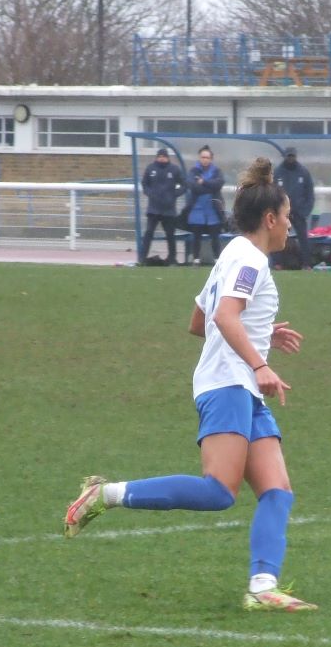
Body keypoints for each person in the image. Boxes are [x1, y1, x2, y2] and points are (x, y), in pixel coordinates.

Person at [64, 157, 316, 612]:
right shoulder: (252, 260)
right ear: (270, 218)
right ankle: (105, 493)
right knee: (219, 491)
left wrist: (262, 332)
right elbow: (221, 317)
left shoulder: (232, 254)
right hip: (229, 384)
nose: (290, 225)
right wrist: (260, 362)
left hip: (240, 385)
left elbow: (199, 321)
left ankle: (262, 588)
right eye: (288, 216)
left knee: (278, 491)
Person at [139, 147, 186, 265]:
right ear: (156, 157)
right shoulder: (151, 168)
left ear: (168, 158)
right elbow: (144, 183)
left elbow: (184, 185)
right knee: (149, 233)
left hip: (169, 210)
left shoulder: (174, 169)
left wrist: (174, 195)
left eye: (164, 157)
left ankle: (172, 259)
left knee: (170, 234)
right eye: (160, 156)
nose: (162, 159)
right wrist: (149, 193)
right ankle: (142, 258)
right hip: (153, 209)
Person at [274, 146, 315, 269]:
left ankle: (306, 264)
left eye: (292, 156)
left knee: (303, 238)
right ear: (285, 157)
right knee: (278, 236)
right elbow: (272, 193)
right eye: (288, 156)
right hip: (282, 213)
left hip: (299, 213)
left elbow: (310, 194)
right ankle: (277, 263)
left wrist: (305, 211)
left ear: (296, 157)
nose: (290, 159)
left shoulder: (303, 172)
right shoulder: (278, 172)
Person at [185, 145, 226, 266]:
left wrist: (204, 182)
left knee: (215, 236)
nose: (205, 159)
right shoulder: (193, 171)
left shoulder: (217, 171)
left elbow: (219, 184)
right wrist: (209, 187)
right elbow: (192, 186)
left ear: (211, 159)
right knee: (196, 235)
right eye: (203, 157)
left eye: (207, 157)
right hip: (196, 209)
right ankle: (196, 259)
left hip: (213, 209)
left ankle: (217, 260)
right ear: (199, 158)